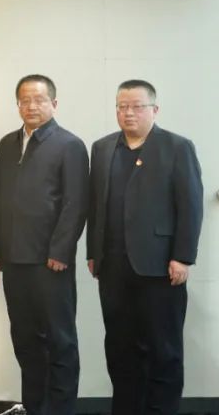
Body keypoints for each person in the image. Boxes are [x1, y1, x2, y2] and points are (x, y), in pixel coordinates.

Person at [87, 80, 203, 415]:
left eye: (137, 106)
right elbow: (96, 205)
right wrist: (93, 252)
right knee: (120, 348)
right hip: (113, 269)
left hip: (160, 267)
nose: (128, 113)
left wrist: (182, 257)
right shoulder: (102, 148)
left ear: (155, 109)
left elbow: (190, 206)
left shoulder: (177, 147)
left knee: (163, 350)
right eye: (122, 106)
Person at [0, 74, 89, 415]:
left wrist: (61, 251)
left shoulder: (69, 145)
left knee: (60, 341)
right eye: (24, 100)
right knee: (25, 340)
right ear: (17, 104)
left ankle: (61, 409)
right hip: (14, 261)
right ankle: (35, 407)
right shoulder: (7, 144)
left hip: (50, 262)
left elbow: (76, 203)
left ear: (54, 103)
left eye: (39, 99)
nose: (31, 106)